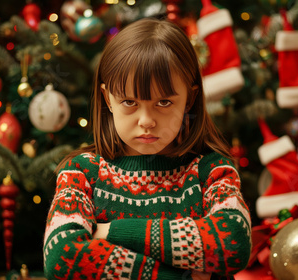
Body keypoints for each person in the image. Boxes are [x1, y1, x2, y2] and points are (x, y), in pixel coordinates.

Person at [43, 17, 251, 280]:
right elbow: (61, 257)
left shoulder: (212, 171)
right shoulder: (83, 173)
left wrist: (111, 232)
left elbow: (233, 242)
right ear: (108, 99)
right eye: (129, 101)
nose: (146, 121)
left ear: (190, 99)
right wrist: (178, 274)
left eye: (164, 102)